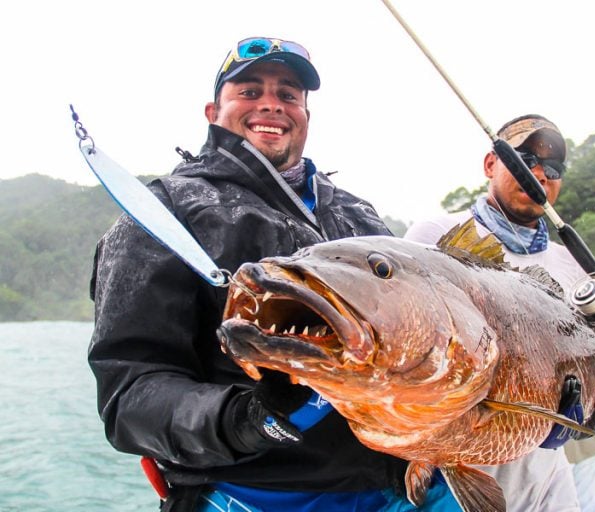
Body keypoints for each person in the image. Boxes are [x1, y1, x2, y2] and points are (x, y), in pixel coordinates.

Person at [89, 37, 461, 512]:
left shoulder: (360, 218)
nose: (271, 104)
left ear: (306, 115)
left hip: (408, 485)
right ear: (212, 111)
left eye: (289, 95)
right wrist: (243, 418)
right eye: (249, 91)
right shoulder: (163, 212)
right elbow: (130, 396)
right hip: (256, 495)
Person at [404, 114, 595, 511]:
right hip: (455, 463)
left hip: (548, 466)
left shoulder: (572, 266)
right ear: (491, 164)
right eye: (525, 158)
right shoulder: (434, 235)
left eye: (554, 166)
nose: (540, 172)